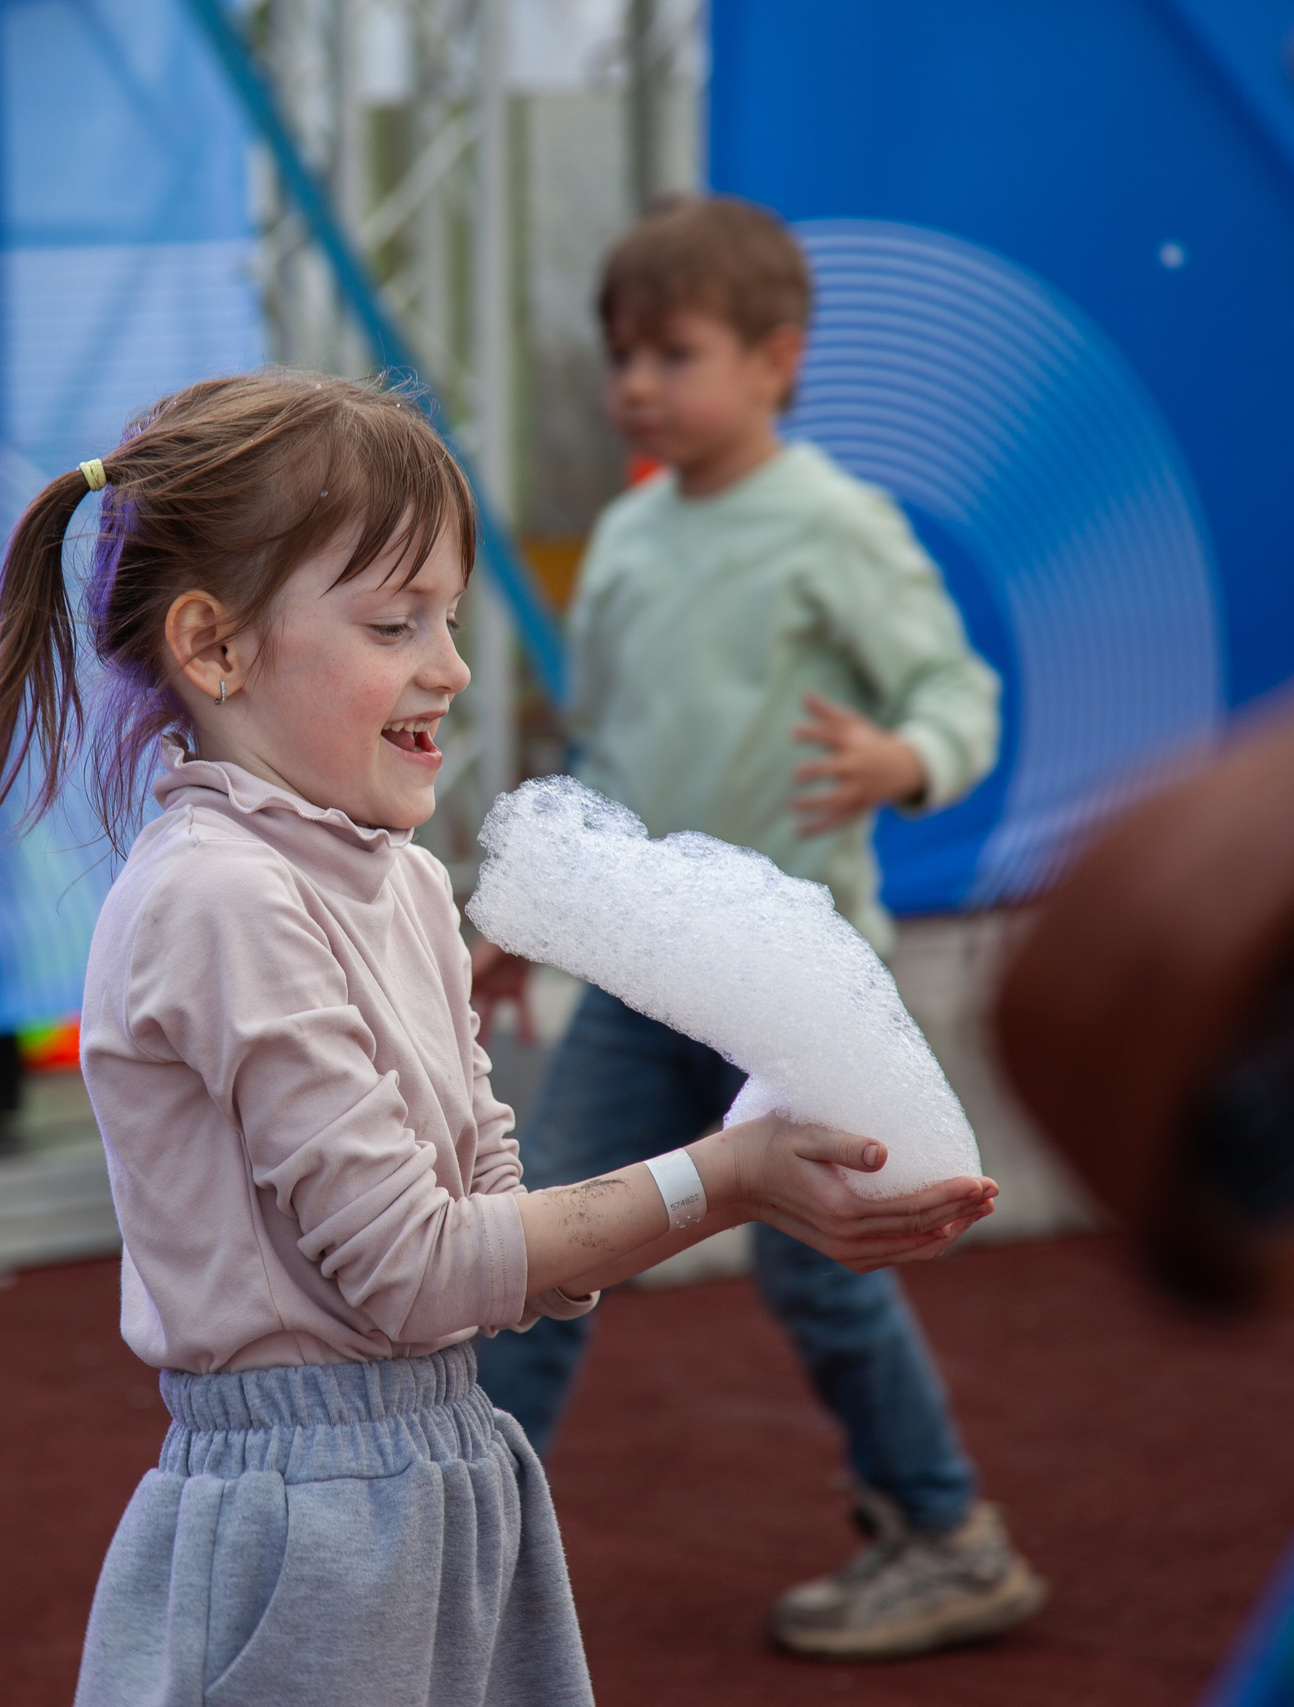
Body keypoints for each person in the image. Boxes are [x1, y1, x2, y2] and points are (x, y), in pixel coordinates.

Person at [0, 369, 997, 1705]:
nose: (450, 665)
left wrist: (739, 1174)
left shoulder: (404, 879)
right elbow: (421, 1275)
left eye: (448, 616)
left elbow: (500, 1242)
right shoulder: (218, 895)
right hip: (301, 1529)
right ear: (213, 649)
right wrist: (726, 1180)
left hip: (451, 1487)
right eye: (393, 621)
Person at [472, 195, 1046, 1660]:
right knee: (535, 1252)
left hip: (794, 995)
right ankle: (454, 1535)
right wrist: (526, 922)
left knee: (823, 1272)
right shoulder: (623, 540)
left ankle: (948, 1536)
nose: (636, 385)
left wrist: (901, 762)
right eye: (621, 355)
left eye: (673, 351)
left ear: (778, 358)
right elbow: (607, 760)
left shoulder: (836, 526)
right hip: (635, 987)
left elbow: (957, 699)